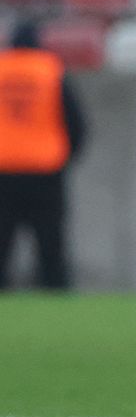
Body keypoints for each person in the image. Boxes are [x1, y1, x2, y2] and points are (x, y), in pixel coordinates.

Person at [0, 21, 87, 290]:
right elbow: (75, 122)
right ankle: (55, 291)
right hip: (45, 169)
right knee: (50, 242)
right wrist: (66, 157)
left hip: (4, 168)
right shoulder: (50, 71)